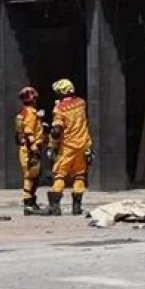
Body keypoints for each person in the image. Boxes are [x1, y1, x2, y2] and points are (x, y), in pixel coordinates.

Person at [46, 78, 92, 216]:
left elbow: (56, 131)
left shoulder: (59, 109)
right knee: (79, 176)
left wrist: (52, 146)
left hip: (67, 147)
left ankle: (55, 207)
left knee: (59, 174)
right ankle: (77, 207)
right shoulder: (81, 103)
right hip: (83, 144)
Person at [15, 86, 46, 215]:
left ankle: (31, 202)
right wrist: (34, 149)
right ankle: (28, 203)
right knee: (31, 176)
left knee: (33, 176)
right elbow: (28, 131)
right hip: (30, 149)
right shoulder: (30, 113)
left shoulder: (24, 112)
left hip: (25, 148)